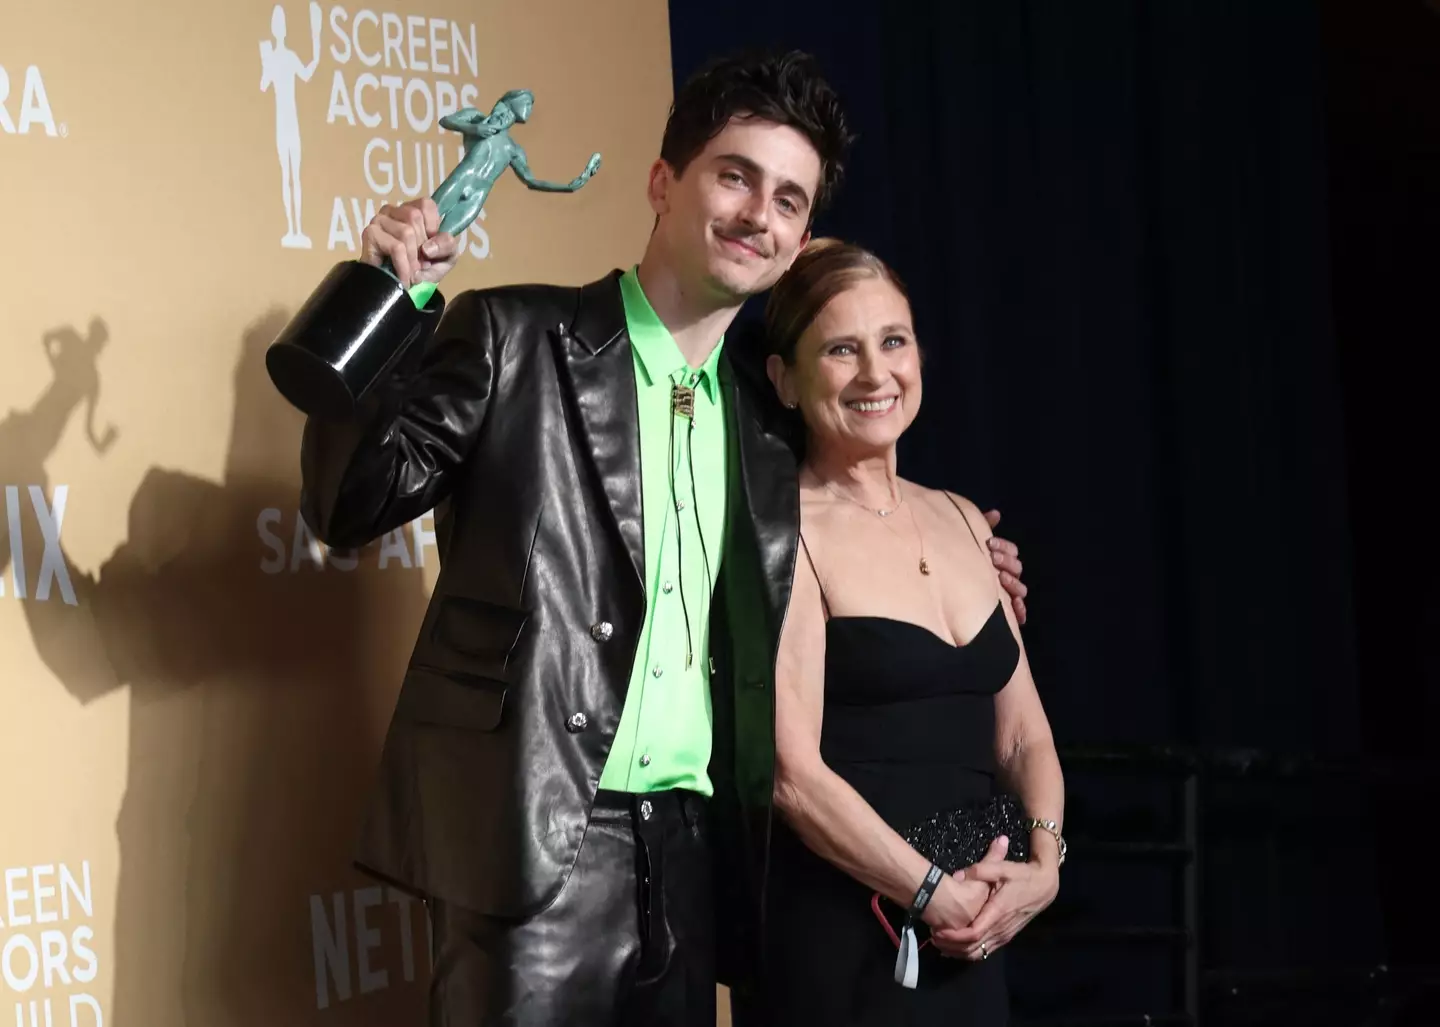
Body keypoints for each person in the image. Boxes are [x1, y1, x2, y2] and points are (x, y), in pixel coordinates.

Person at [295, 51, 1030, 1026]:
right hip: (535, 842)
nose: (756, 214)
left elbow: (855, 515)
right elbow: (348, 504)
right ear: (662, 182)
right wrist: (386, 298)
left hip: (695, 859)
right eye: (734, 176)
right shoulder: (515, 339)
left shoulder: (770, 430)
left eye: (788, 200)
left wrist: (969, 543)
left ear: (800, 234)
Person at [738, 239, 1065, 1026]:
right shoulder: (781, 532)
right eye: (840, 350)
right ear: (785, 377)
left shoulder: (960, 516)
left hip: (976, 935)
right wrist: (930, 889)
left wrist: (1045, 865)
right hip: (848, 945)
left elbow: (1023, 737)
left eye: (894, 340)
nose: (877, 374)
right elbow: (791, 775)